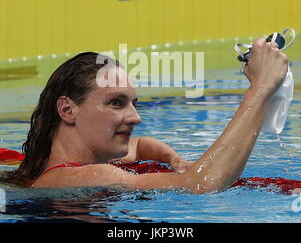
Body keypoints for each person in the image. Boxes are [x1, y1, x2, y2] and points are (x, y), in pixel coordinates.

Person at [3, 37, 288, 193]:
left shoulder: (70, 166)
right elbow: (201, 184)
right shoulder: (89, 176)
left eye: (133, 104)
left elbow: (139, 146)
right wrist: (260, 86)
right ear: (67, 110)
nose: (135, 117)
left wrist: (174, 160)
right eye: (116, 103)